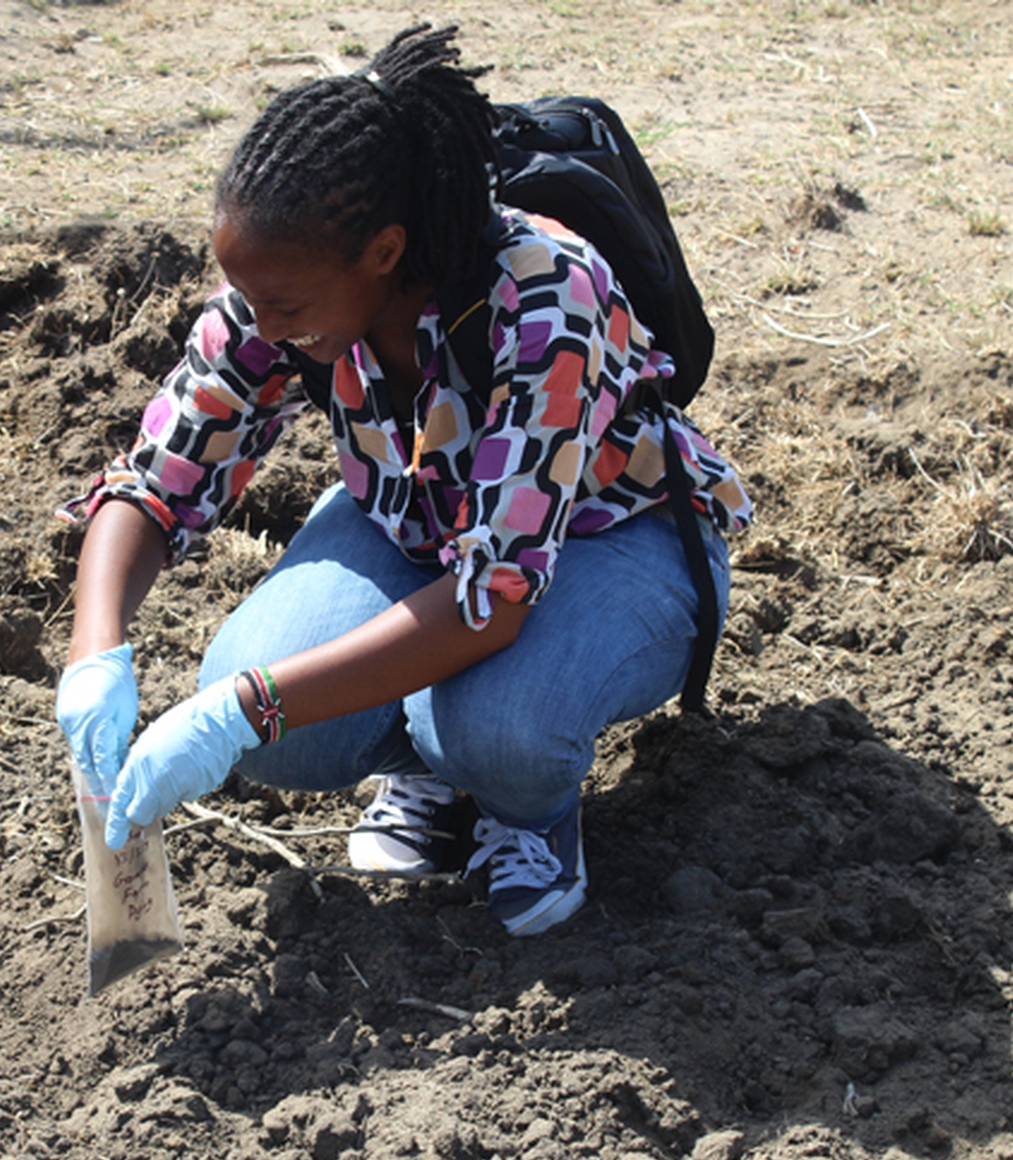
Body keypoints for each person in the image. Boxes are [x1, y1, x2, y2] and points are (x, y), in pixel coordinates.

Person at [55, 24, 751, 937]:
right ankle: (426, 763)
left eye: (286, 306)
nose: (261, 324)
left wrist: (241, 712)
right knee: (281, 710)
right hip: (419, 523)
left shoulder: (544, 296)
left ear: (384, 251)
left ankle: (527, 813)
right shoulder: (281, 297)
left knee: (493, 725)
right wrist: (95, 650)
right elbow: (156, 483)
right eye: (250, 299)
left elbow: (497, 596)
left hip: (615, 534)